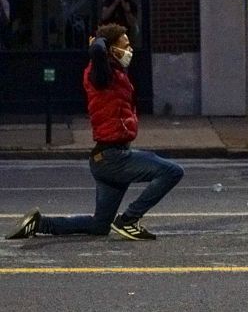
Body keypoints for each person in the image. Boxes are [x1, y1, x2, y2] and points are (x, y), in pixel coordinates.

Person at [5, 23, 184, 241]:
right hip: (113, 158)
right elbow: (98, 50)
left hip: (104, 159)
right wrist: (98, 43)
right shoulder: (100, 74)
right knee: (172, 171)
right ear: (111, 49)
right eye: (125, 45)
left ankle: (40, 223)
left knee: (99, 226)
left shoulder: (114, 72)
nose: (130, 50)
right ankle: (129, 219)